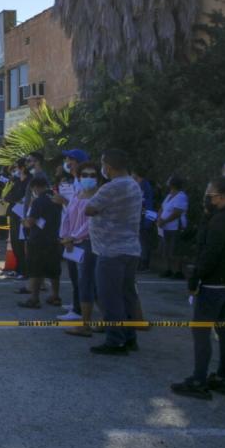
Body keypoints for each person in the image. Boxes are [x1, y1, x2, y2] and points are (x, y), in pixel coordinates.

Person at [170, 177, 225, 399]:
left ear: (222, 197)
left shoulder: (222, 220)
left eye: (210, 194)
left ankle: (198, 380)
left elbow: (210, 252)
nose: (207, 198)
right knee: (224, 330)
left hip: (215, 283)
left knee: (201, 331)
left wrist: (195, 278)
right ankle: (222, 377)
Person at [85, 149, 144, 355]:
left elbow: (89, 209)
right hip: (130, 249)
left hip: (111, 251)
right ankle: (129, 338)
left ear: (108, 167)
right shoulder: (134, 185)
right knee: (127, 296)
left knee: (110, 298)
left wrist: (88, 196)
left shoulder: (111, 187)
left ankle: (115, 340)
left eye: (103, 165)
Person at [60, 162, 102, 335]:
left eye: (92, 175)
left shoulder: (99, 198)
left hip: (88, 243)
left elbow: (90, 224)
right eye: (85, 175)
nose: (88, 178)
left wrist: (73, 237)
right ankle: (103, 320)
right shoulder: (77, 195)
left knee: (87, 282)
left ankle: (85, 324)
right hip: (72, 244)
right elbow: (67, 217)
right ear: (79, 177)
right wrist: (65, 237)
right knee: (79, 280)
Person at [17, 177, 62, 307]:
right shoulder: (57, 198)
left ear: (35, 187)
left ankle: (34, 299)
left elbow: (31, 222)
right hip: (54, 237)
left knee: (36, 269)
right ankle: (55, 296)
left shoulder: (38, 201)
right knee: (54, 270)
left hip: (38, 239)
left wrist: (24, 222)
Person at [158, 176, 189, 279]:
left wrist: (164, 220)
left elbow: (177, 212)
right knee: (166, 250)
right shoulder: (169, 195)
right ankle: (168, 269)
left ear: (173, 184)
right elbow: (162, 208)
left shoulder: (181, 196)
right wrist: (159, 219)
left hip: (175, 227)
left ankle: (178, 272)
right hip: (165, 228)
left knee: (175, 250)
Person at [132, 170, 156, 272]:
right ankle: (142, 263)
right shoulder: (143, 186)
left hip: (145, 219)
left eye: (134, 177)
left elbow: (147, 205)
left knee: (144, 242)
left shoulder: (144, 186)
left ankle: (144, 263)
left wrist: (148, 221)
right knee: (141, 242)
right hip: (143, 218)